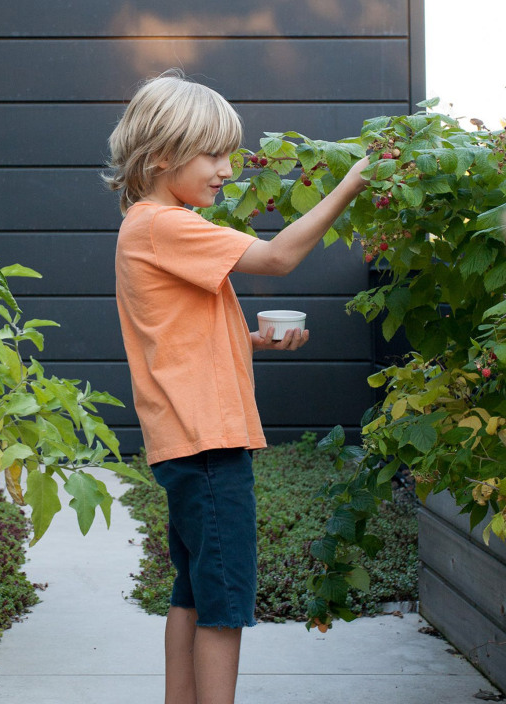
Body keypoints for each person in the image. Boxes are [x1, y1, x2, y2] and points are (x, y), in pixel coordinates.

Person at [104, 69, 369, 704]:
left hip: (185, 443)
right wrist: (352, 184)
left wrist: (251, 342)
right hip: (210, 443)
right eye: (215, 154)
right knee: (225, 603)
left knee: (194, 592)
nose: (228, 170)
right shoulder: (164, 224)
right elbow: (277, 258)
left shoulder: (150, 226)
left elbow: (172, 334)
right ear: (163, 155)